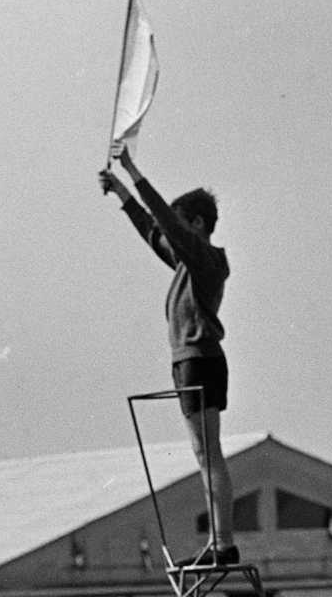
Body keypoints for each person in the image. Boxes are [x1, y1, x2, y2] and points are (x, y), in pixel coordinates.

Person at [99, 149, 236, 564]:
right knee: (204, 454)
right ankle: (220, 541)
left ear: (197, 225)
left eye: (183, 226)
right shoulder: (188, 263)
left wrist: (132, 170)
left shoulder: (205, 259)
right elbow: (152, 229)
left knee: (207, 454)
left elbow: (162, 218)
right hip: (193, 360)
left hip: (198, 359)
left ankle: (222, 543)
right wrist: (123, 193)